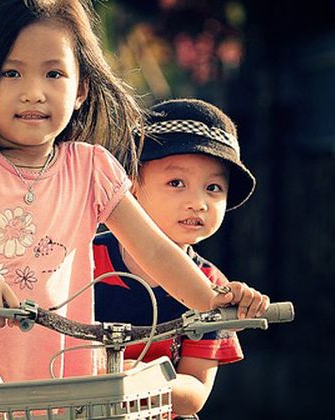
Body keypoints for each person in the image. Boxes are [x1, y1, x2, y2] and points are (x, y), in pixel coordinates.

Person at [0, 1, 269, 418]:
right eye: (11, 73)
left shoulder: (91, 168)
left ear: (80, 90)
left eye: (54, 73)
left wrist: (217, 300)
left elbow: (157, 252)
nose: (34, 92)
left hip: (42, 401)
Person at [94, 98, 269, 418]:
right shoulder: (85, 259)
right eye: (176, 183)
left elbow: (195, 390)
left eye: (213, 187)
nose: (198, 202)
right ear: (130, 184)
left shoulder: (212, 288)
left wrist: (137, 382)